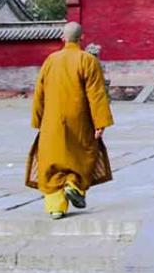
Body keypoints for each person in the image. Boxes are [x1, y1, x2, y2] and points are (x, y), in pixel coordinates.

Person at [25, 22, 114, 219]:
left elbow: (39, 93)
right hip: (80, 119)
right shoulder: (88, 60)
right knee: (83, 154)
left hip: (52, 120)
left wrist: (38, 119)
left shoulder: (50, 60)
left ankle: (56, 207)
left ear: (62, 38)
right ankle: (74, 185)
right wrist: (100, 122)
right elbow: (97, 94)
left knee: (52, 160)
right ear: (81, 38)